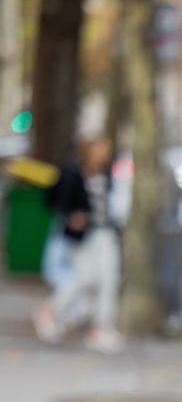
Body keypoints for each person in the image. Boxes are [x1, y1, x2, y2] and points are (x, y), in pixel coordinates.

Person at [34, 137, 124, 354]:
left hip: (106, 233)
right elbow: (53, 200)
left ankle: (101, 328)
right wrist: (71, 216)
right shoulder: (73, 173)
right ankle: (51, 309)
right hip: (84, 236)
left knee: (109, 279)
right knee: (83, 279)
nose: (101, 156)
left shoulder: (107, 175)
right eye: (98, 151)